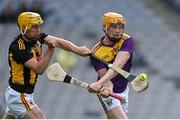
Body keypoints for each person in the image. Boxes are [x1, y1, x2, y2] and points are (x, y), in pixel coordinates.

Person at [3, 12, 91, 119]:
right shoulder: (18, 48)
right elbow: (39, 69)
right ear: (24, 28)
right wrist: (50, 48)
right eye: (35, 26)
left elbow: (59, 42)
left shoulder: (37, 37)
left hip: (24, 94)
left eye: (40, 25)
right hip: (19, 96)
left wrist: (78, 50)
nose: (39, 29)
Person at [89, 12, 135, 119]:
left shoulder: (127, 41)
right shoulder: (96, 53)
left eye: (121, 27)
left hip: (123, 90)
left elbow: (117, 66)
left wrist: (98, 83)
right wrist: (106, 88)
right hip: (108, 93)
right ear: (105, 27)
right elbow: (106, 80)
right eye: (114, 27)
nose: (118, 31)